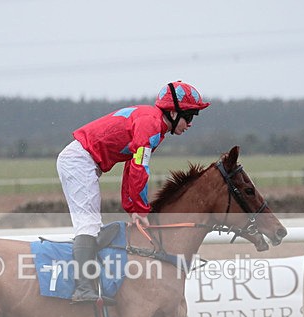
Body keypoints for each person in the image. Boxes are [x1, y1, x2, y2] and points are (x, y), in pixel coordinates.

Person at [56, 80, 210, 303]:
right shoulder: (150, 125)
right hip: (79, 161)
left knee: (93, 227)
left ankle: (89, 281)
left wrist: (134, 209)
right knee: (88, 225)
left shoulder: (155, 125)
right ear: (174, 111)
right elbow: (139, 168)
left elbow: (131, 167)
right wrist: (139, 208)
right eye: (189, 116)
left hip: (84, 161)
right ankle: (83, 289)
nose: (190, 123)